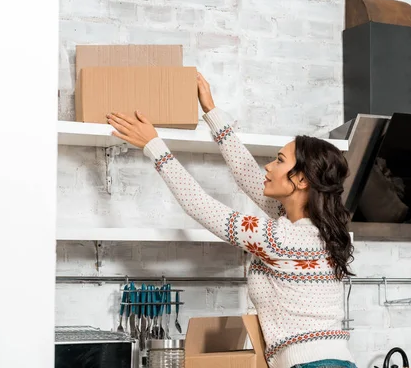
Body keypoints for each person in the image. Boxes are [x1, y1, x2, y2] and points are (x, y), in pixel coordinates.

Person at [107, 72, 357, 368]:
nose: (269, 166)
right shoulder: (307, 230)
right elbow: (247, 173)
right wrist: (211, 111)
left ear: (301, 179)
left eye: (279, 160)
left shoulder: (280, 239)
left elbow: (201, 206)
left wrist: (153, 145)